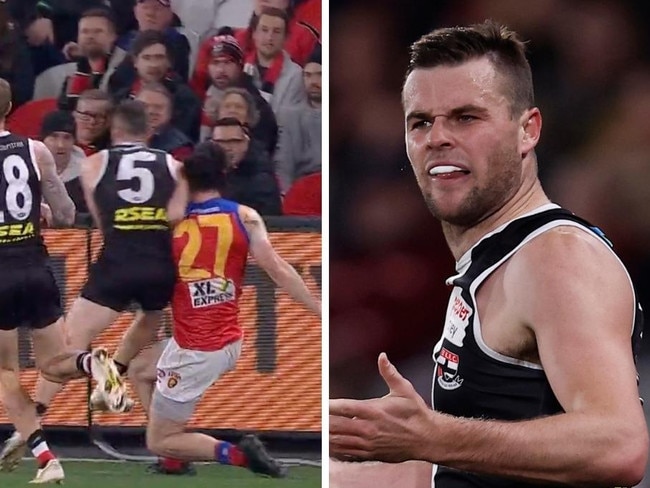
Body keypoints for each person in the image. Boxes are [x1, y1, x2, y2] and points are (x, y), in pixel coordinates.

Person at [329, 20, 648, 488]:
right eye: (421, 122)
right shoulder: (492, 261)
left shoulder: (557, 257)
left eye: (466, 117)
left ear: (527, 131)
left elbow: (619, 447)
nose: (437, 136)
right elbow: (460, 470)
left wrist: (431, 435)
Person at [0, 100, 189, 466]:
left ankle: (30, 426)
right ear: (148, 130)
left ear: (114, 129)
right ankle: (113, 372)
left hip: (115, 261)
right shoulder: (172, 163)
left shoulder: (96, 163)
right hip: (158, 262)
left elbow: (100, 219)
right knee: (147, 319)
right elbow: (177, 215)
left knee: (57, 351)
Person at [123, 141, 321, 477]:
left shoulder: (171, 225)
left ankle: (238, 455)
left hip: (194, 349)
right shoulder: (244, 216)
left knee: (158, 440)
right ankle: (175, 458)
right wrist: (318, 309)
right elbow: (278, 269)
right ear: (224, 174)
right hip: (229, 341)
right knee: (140, 370)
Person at [0, 78, 124, 483]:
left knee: (5, 374)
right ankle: (94, 363)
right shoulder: (35, 150)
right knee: (55, 362)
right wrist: (37, 211)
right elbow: (67, 214)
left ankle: (46, 459)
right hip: (35, 266)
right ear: (10, 107)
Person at [211, 117, 282, 215]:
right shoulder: (201, 173)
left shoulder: (261, 178)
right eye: (220, 142)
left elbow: (269, 218)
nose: (227, 148)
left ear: (246, 143)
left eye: (234, 141)